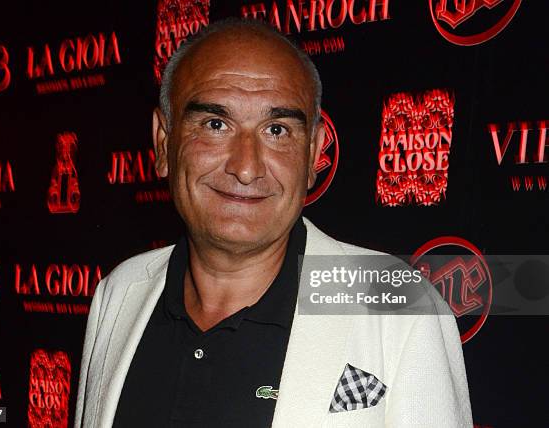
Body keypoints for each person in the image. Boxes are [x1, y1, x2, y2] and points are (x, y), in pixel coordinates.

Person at [74, 18, 473, 428]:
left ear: (314, 153)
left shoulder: (400, 308)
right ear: (164, 142)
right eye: (216, 125)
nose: (246, 167)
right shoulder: (119, 293)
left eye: (277, 130)